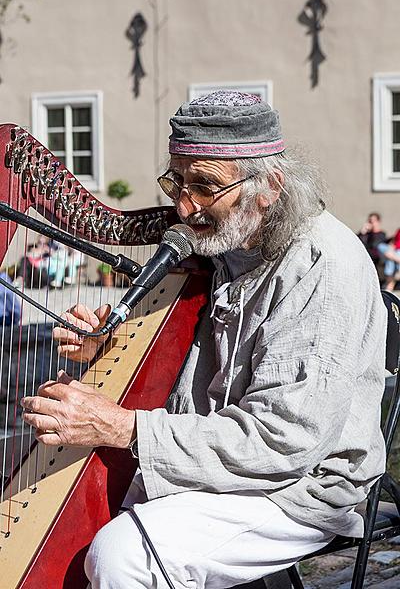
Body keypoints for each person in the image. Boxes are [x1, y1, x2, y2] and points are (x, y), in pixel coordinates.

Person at [20, 91, 386, 589]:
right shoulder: (227, 244)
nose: (184, 207)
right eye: (177, 182)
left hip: (302, 487)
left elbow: (283, 441)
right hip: (225, 465)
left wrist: (120, 425)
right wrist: (109, 345)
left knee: (121, 555)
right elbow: (195, 364)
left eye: (205, 186)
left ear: (269, 187)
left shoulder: (322, 266)